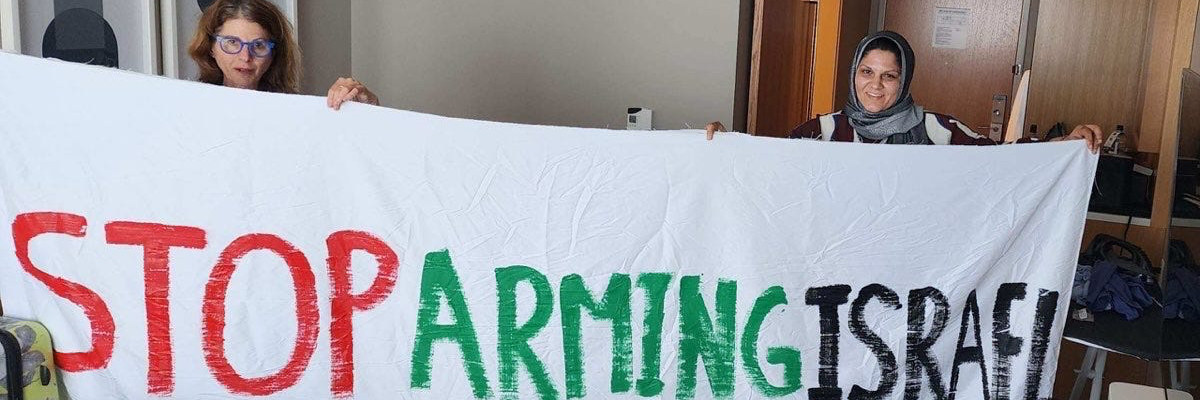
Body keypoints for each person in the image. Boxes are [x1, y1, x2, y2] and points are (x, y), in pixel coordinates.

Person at [708, 31, 1103, 151]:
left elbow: (1001, 159)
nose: (875, 86)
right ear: (853, 74)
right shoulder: (824, 131)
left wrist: (1062, 145)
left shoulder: (938, 130)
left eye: (889, 76)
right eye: (866, 72)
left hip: (909, 276)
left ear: (905, 80)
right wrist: (725, 148)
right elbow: (766, 162)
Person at [187, 0, 378, 110]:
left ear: (274, 53)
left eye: (259, 45)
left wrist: (365, 108)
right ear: (211, 47)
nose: (245, 57)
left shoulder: (294, 110)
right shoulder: (190, 106)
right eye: (232, 42)